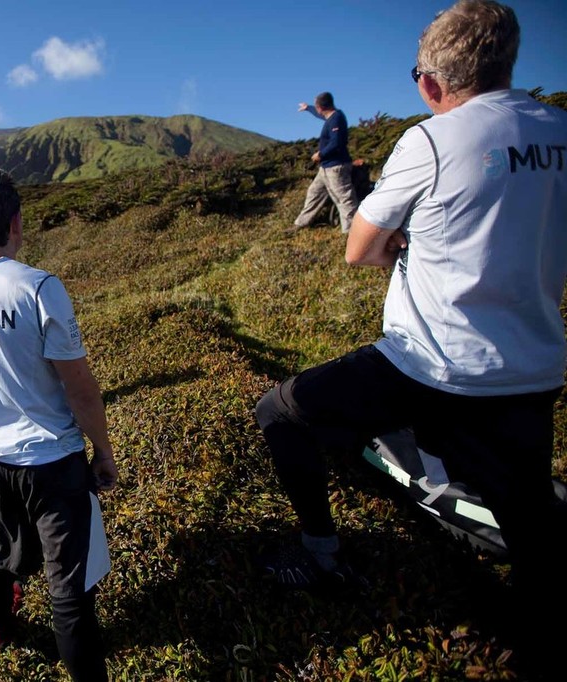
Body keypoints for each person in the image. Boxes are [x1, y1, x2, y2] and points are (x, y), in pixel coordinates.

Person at [256, 0, 565, 669]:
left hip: (433, 364)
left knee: (280, 410)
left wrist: (403, 242)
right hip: (535, 368)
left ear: (430, 82)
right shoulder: (558, 130)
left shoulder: (432, 141)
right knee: (532, 530)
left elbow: (360, 248)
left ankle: (320, 553)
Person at [0, 166, 118, 681]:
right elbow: (80, 388)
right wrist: (103, 452)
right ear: (15, 222)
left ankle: (2, 630)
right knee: (69, 592)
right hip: (53, 461)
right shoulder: (38, 288)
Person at [290, 91, 360, 234]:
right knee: (314, 192)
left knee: (344, 198)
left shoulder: (336, 120)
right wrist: (308, 108)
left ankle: (352, 232)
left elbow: (336, 143)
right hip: (326, 168)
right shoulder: (332, 116)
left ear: (321, 107)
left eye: (315, 106)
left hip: (336, 167)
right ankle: (301, 224)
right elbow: (320, 115)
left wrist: (320, 154)